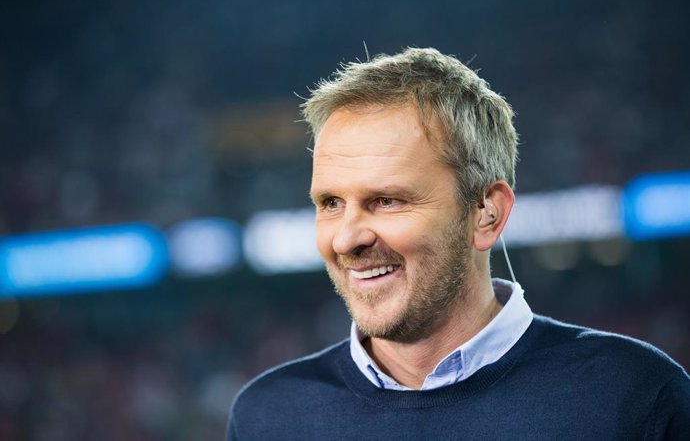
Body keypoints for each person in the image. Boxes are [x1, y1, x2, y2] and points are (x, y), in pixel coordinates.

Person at [226, 47, 690, 439]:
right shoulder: (267, 417)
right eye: (329, 202)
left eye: (386, 200)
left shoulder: (633, 399)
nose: (347, 238)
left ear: (487, 213)